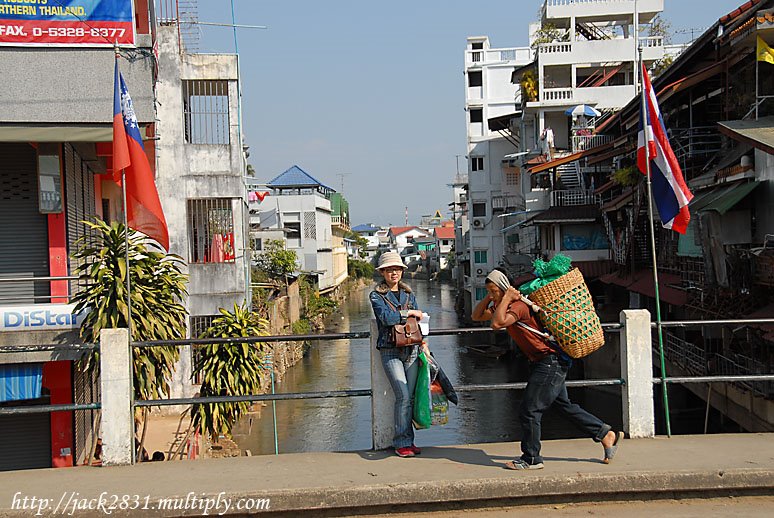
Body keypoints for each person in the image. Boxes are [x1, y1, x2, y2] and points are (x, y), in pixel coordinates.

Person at [472, 268, 622, 470]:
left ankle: (531, 458)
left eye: (494, 291)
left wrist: (507, 296)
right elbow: (476, 316)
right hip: (542, 362)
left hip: (549, 362)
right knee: (562, 406)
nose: (492, 295)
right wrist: (492, 298)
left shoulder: (518, 307)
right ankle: (605, 434)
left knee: (529, 410)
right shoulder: (502, 304)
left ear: (504, 288)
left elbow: (497, 323)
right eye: (489, 291)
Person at [369, 251, 428, 458]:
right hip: (390, 349)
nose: (393, 273)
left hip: (411, 348)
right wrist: (409, 313)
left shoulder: (409, 294)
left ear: (402, 271)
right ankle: (401, 442)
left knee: (409, 397)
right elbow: (385, 318)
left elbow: (420, 321)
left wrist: (424, 344)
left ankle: (409, 442)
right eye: (389, 270)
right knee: (402, 395)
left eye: (397, 269)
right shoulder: (376, 295)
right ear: (383, 273)